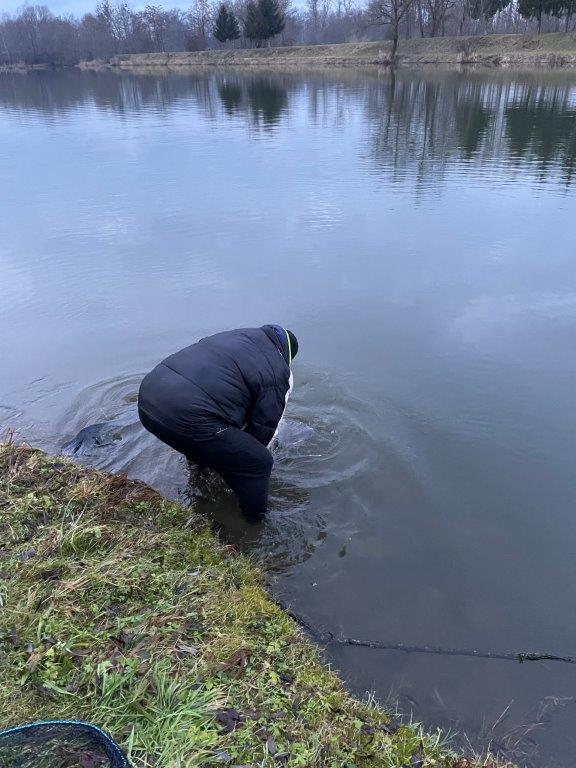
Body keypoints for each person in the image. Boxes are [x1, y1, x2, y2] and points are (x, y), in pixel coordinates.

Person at [138, 325, 299, 522]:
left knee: (207, 427)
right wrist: (241, 462)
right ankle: (253, 522)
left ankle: (198, 469)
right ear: (287, 355)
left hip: (148, 399)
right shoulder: (277, 370)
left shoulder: (236, 336)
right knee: (259, 462)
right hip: (185, 415)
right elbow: (264, 429)